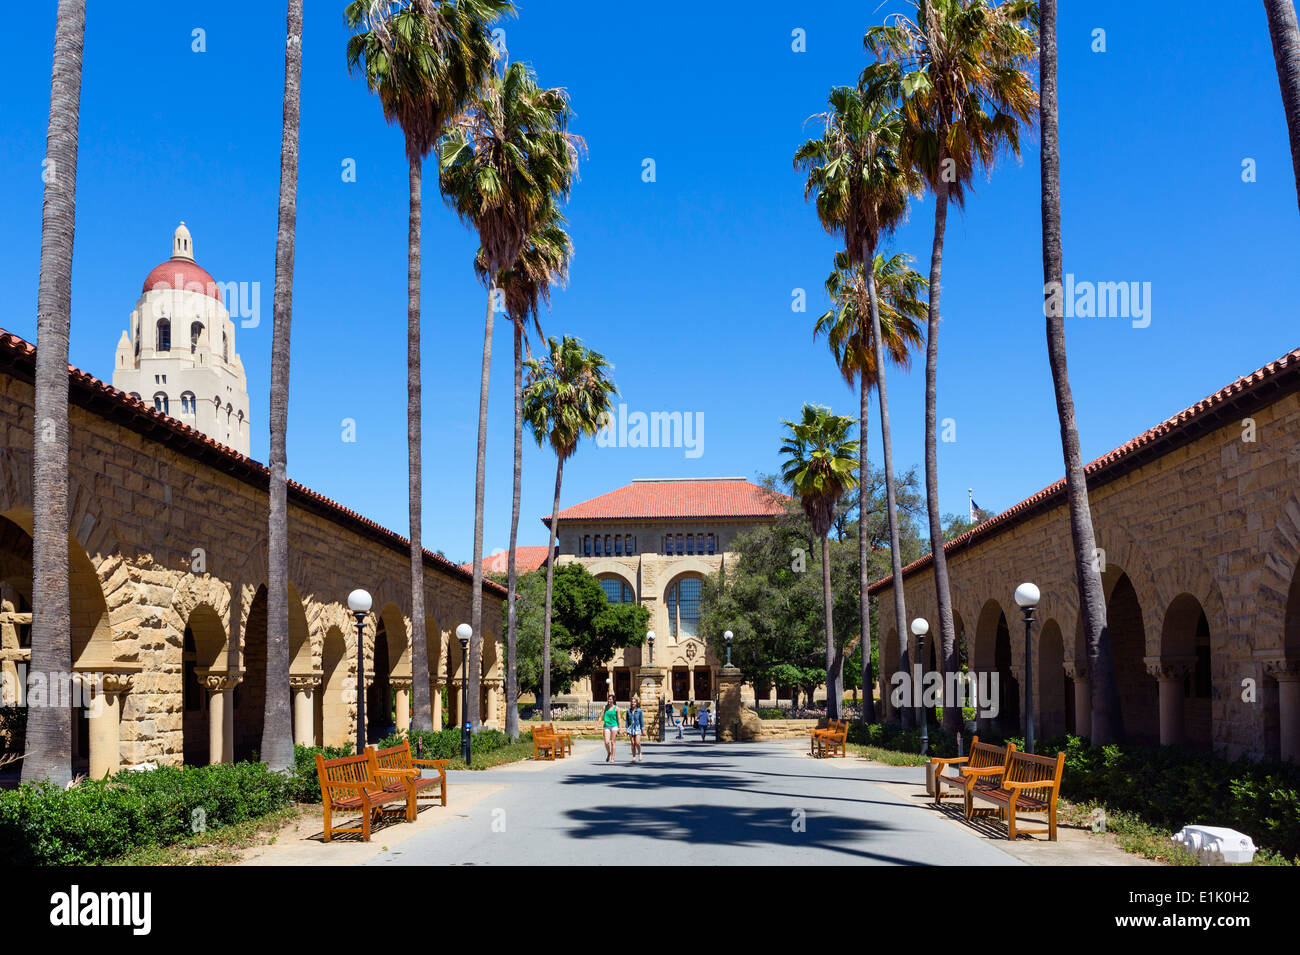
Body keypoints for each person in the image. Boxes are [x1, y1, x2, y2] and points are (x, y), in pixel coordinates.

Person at [601, 694, 620, 762]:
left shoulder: (617, 708)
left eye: (610, 699)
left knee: (613, 742)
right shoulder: (604, 707)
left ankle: (612, 757)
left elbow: (619, 719)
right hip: (607, 725)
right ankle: (609, 752)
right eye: (608, 699)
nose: (609, 700)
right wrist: (596, 726)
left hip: (614, 726)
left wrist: (620, 728)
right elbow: (601, 717)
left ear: (613, 700)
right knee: (606, 742)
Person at [627, 696, 645, 762]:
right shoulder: (628, 711)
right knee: (632, 743)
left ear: (636, 703)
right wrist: (626, 728)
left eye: (634, 702)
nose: (633, 703)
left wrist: (643, 729)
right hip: (631, 728)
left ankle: (639, 753)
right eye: (632, 702)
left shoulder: (639, 711)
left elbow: (641, 720)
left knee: (637, 742)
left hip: (637, 727)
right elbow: (627, 721)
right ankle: (634, 757)